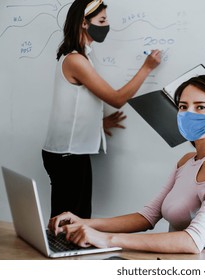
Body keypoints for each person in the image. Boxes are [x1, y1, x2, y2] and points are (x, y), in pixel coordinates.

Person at [48, 75, 205, 253]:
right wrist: (85, 223)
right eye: (183, 107)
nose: (188, 113)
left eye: (200, 107)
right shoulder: (186, 161)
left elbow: (193, 241)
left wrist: (106, 239)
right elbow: (147, 217)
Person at [42, 0, 161, 219]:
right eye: (102, 20)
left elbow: (74, 104)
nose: (107, 25)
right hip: (67, 155)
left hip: (68, 153)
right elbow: (116, 99)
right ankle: (64, 252)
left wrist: (98, 124)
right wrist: (147, 68)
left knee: (72, 217)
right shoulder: (76, 60)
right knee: (72, 220)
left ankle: (65, 250)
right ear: (84, 23)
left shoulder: (80, 56)